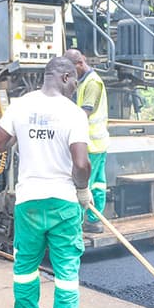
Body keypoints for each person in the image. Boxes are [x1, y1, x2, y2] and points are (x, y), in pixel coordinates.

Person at [0, 57, 93, 308]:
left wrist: (20, 138)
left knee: (25, 267)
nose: (75, 87)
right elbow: (81, 164)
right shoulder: (73, 113)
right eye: (74, 82)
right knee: (66, 269)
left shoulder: (20, 106)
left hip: (29, 202)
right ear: (66, 77)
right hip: (63, 203)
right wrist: (83, 190)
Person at [63, 49, 108, 235]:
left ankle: (82, 222)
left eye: (71, 70)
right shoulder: (85, 80)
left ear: (80, 63)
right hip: (96, 143)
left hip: (90, 144)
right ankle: (94, 221)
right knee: (97, 183)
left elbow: (84, 114)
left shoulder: (92, 83)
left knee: (83, 184)